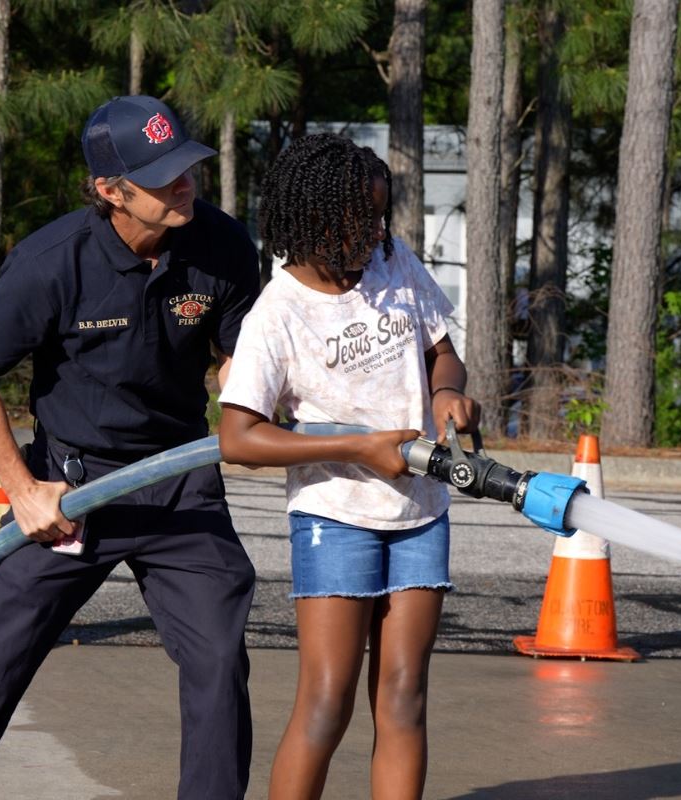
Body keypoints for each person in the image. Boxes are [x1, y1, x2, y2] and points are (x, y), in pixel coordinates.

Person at [0, 95, 259, 800]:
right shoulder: (52, 262)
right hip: (70, 491)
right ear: (111, 192)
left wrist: (249, 405)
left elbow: (237, 357)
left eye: (188, 168)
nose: (187, 185)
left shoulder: (224, 244)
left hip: (180, 486)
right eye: (164, 177)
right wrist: (24, 491)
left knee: (217, 658)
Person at [218, 133, 480, 800]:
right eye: (359, 220)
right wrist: (355, 448)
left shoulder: (394, 263)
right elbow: (239, 437)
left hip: (421, 511)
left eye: (379, 217)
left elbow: (441, 352)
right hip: (334, 516)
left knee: (402, 695)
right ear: (312, 219)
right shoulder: (278, 314)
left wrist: (447, 390)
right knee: (328, 701)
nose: (375, 232)